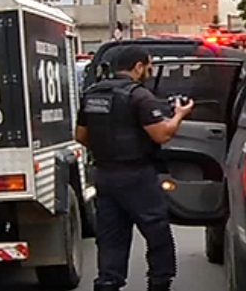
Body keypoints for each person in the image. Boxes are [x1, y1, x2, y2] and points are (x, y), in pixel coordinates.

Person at [75, 46, 194, 291]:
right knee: (157, 232)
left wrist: (105, 148)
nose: (149, 71)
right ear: (137, 66)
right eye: (148, 66)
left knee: (110, 236)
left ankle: (108, 281)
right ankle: (159, 282)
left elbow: (80, 135)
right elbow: (162, 134)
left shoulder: (92, 94)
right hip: (137, 176)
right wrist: (179, 115)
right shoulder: (139, 96)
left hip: (105, 176)